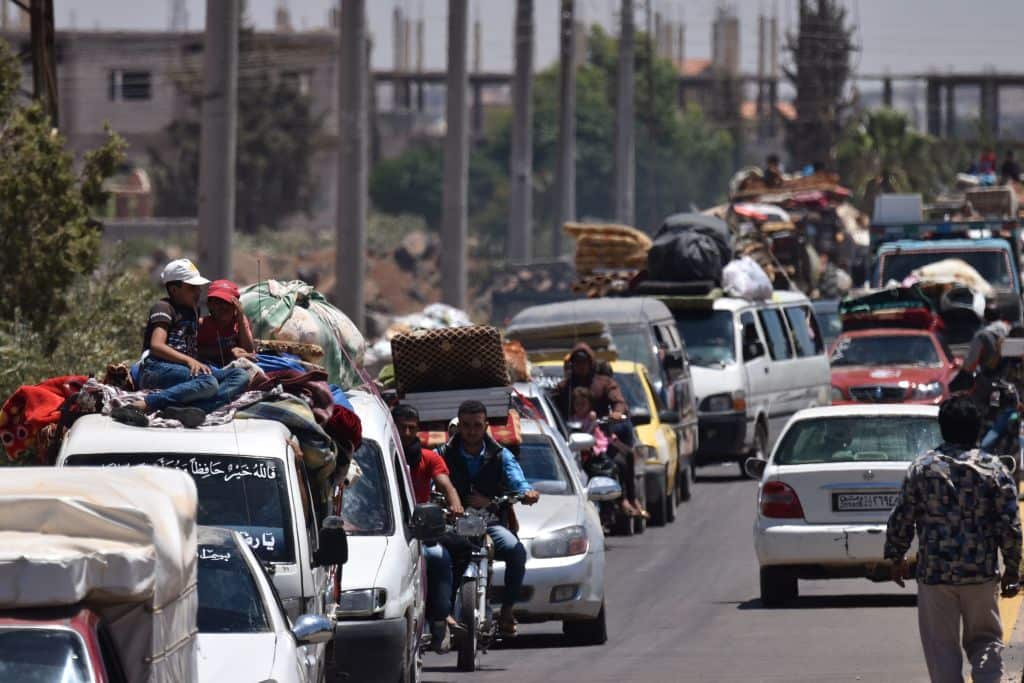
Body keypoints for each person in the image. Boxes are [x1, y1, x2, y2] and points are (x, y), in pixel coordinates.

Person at [884, 396, 1021, 683]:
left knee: (941, 648)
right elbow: (1010, 525)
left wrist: (896, 557)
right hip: (981, 575)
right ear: (978, 429)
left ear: (942, 428)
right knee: (985, 639)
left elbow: (902, 517)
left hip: (935, 576)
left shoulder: (922, 468)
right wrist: (1011, 568)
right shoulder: (994, 469)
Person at [435, 400, 540, 637]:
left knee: (516, 551)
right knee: (434, 557)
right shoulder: (441, 454)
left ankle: (507, 611)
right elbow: (432, 481)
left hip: (489, 524)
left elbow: (518, 482)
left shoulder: (502, 456)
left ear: (486, 426)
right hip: (452, 526)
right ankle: (440, 616)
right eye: (466, 425)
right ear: (459, 426)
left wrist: (526, 493)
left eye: (477, 425)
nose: (471, 431)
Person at [123, 259, 250, 427]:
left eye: (198, 288)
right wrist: (189, 361)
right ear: (174, 290)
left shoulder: (192, 310)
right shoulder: (163, 308)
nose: (197, 292)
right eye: (191, 288)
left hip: (183, 369)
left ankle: (190, 409)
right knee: (208, 382)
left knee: (240, 375)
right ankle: (148, 403)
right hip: (157, 368)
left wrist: (229, 350)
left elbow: (193, 348)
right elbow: (157, 345)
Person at [391, 404, 464, 652]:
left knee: (438, 556)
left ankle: (440, 620)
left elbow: (446, 485)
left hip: (422, 528)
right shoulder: (384, 456)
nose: (408, 433)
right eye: (403, 428)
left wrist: (455, 504)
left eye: (413, 428)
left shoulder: (429, 457)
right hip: (390, 529)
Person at [197, 279, 255, 365]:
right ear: (209, 305)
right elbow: (195, 351)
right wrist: (227, 352)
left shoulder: (240, 321)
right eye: (218, 302)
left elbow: (248, 350)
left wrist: (241, 319)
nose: (223, 307)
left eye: (227, 302)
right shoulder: (202, 324)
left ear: (236, 306)